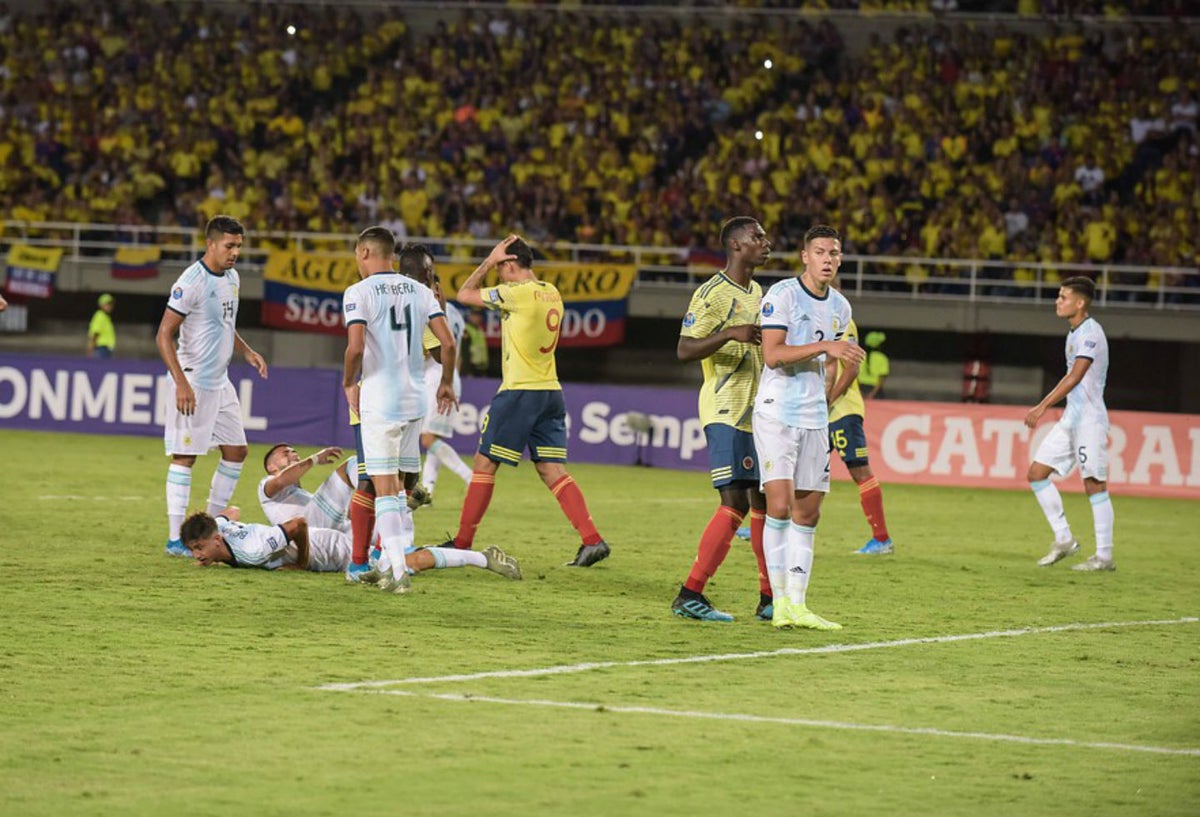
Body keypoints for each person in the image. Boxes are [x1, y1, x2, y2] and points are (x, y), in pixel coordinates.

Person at [442, 234, 611, 567]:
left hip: (520, 390)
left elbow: (462, 294)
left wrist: (488, 261)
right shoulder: (552, 291)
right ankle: (592, 540)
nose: (498, 275)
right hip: (550, 390)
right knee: (551, 469)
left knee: (483, 463)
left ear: (509, 264)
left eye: (501, 267)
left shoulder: (515, 293)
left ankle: (462, 544)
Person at [754, 224, 864, 630]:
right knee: (779, 507)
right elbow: (772, 355)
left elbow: (834, 361)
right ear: (805, 256)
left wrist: (828, 394)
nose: (828, 260)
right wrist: (825, 347)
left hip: (814, 418)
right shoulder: (781, 295)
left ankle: (798, 605)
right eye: (821, 252)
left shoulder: (840, 306)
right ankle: (779, 602)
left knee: (809, 514)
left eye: (834, 253)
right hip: (777, 412)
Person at [342, 227, 458, 594]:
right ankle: (379, 560)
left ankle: (389, 567)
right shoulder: (422, 293)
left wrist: (348, 382)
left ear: (363, 253)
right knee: (396, 486)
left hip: (377, 399)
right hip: (414, 400)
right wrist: (446, 383)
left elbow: (356, 348)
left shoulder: (359, 292)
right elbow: (448, 343)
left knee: (381, 485)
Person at [670, 216, 771, 623]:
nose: (766, 242)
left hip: (756, 413)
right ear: (735, 245)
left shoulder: (757, 290)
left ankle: (768, 599)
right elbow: (683, 349)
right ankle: (690, 592)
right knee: (734, 503)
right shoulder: (712, 294)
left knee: (762, 502)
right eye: (757, 237)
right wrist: (731, 333)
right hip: (726, 408)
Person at [156, 215, 268, 558]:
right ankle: (176, 539)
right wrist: (181, 384)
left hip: (221, 382)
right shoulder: (191, 282)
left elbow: (224, 323)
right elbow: (163, 335)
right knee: (185, 456)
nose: (235, 252)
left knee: (237, 451)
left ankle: (215, 524)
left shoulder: (232, 278)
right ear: (211, 244)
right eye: (229, 246)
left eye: (238, 246)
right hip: (193, 381)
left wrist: (246, 350)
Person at [1024, 276, 1114, 572]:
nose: (1057, 301)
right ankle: (1064, 539)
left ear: (1080, 302)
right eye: (1058, 296)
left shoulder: (1091, 333)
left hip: (1089, 420)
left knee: (1094, 484)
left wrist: (1041, 406)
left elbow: (1075, 376)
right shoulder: (1074, 333)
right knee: (1037, 473)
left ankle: (1104, 556)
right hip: (1071, 419)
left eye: (1063, 297)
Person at [180, 508, 521, 580]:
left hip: (334, 551)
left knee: (407, 564)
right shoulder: (219, 528)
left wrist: (299, 564)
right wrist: (213, 557)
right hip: (330, 545)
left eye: (198, 548)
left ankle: (482, 558)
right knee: (400, 553)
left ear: (215, 539)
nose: (196, 555)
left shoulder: (256, 548)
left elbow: (298, 523)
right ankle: (400, 513)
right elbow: (227, 514)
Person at [827, 315, 896, 555]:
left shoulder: (843, 322)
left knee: (860, 471)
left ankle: (881, 539)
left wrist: (827, 400)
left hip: (842, 410)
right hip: (819, 413)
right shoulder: (812, 317)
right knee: (798, 468)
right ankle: (767, 525)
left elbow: (852, 369)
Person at [420, 273, 473, 502]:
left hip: (435, 378)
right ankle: (427, 489)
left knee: (428, 440)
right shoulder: (456, 313)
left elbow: (427, 352)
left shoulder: (430, 312)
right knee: (433, 439)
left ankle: (470, 476)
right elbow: (456, 352)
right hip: (451, 378)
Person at [258, 443, 356, 533]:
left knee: (365, 530)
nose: (293, 454)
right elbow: (281, 480)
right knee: (350, 465)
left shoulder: (303, 495)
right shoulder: (265, 483)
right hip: (307, 532)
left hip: (324, 533)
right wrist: (316, 458)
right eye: (286, 454)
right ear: (271, 467)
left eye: (294, 452)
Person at [856, 331, 889, 398]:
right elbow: (881, 379)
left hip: (860, 388)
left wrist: (859, 391)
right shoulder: (882, 358)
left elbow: (854, 375)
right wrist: (872, 394)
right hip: (876, 390)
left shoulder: (860, 355)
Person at [460, 308, 490, 376]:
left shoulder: (480, 330)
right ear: (470, 316)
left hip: (481, 368)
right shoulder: (466, 330)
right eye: (475, 316)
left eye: (479, 316)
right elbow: (464, 352)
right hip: (470, 368)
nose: (477, 318)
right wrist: (466, 370)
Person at [86, 293, 116, 358]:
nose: (110, 306)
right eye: (108, 304)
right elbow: (96, 332)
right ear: (102, 304)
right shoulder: (100, 316)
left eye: (111, 304)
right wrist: (91, 347)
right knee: (101, 367)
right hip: (101, 348)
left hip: (106, 348)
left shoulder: (105, 317)